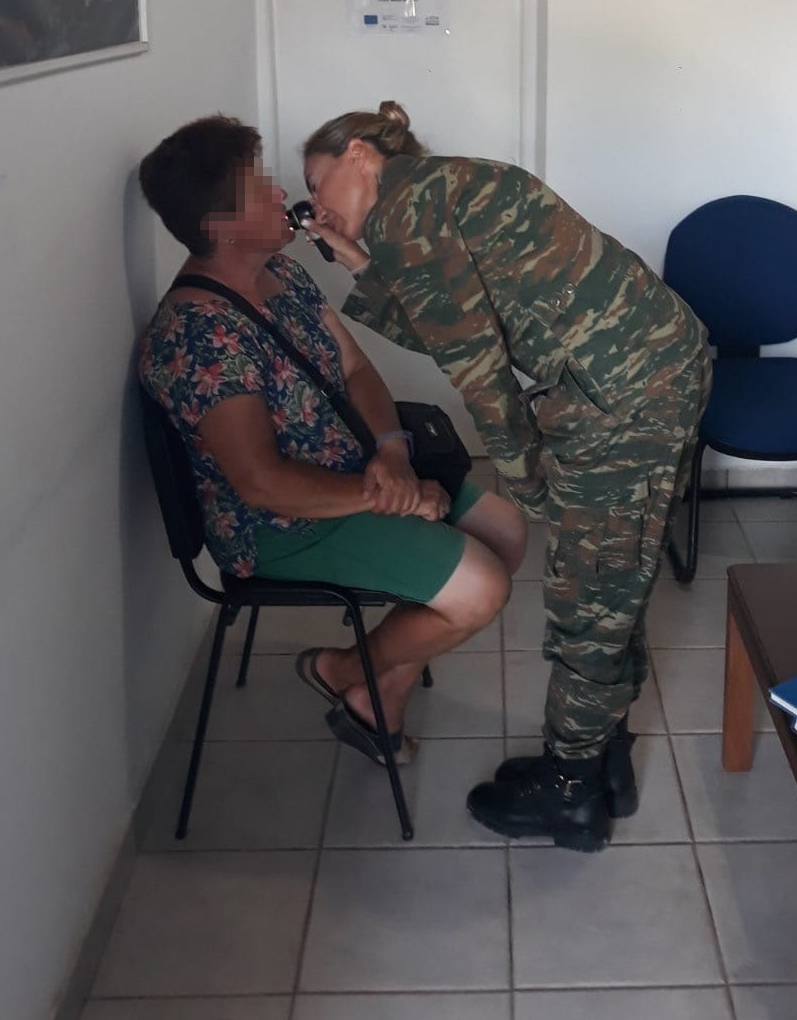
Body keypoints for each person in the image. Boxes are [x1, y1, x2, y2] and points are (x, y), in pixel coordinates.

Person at [301, 101, 711, 849]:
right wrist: (358, 260)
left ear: (359, 155)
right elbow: (455, 326)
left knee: (592, 592)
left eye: (316, 184)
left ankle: (571, 792)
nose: (316, 206)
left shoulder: (406, 215)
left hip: (622, 399)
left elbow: (479, 371)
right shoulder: (431, 191)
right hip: (653, 370)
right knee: (616, 579)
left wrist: (524, 475)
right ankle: (606, 757)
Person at [136, 115, 525, 765]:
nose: (279, 192)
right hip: (284, 525)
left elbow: (356, 370)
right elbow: (262, 482)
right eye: (258, 187)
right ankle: (347, 670)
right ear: (221, 226)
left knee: (507, 532)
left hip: (358, 473)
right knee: (482, 588)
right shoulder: (199, 334)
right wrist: (391, 496)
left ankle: (370, 686)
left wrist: (393, 453)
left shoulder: (282, 275)